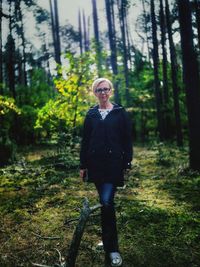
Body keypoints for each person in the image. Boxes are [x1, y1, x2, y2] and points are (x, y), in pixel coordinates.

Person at [80, 78, 133, 267]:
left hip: (113, 165)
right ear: (94, 93)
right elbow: (85, 141)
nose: (103, 92)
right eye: (99, 90)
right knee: (104, 204)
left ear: (111, 91)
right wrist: (82, 165)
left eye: (105, 89)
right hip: (95, 165)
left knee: (107, 202)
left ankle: (112, 249)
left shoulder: (119, 112)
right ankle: (107, 240)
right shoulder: (91, 114)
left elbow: (127, 138)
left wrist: (127, 162)